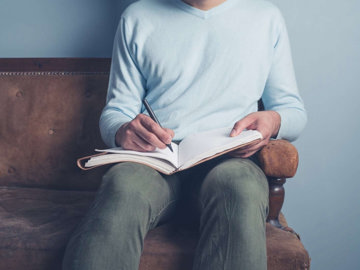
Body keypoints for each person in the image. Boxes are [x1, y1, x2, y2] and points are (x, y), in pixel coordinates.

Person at [62, 0, 307, 269]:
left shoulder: (266, 17)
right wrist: (122, 130)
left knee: (241, 188)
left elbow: (293, 112)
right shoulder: (137, 17)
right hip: (157, 158)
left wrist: (272, 120)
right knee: (123, 185)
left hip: (230, 157)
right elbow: (116, 110)